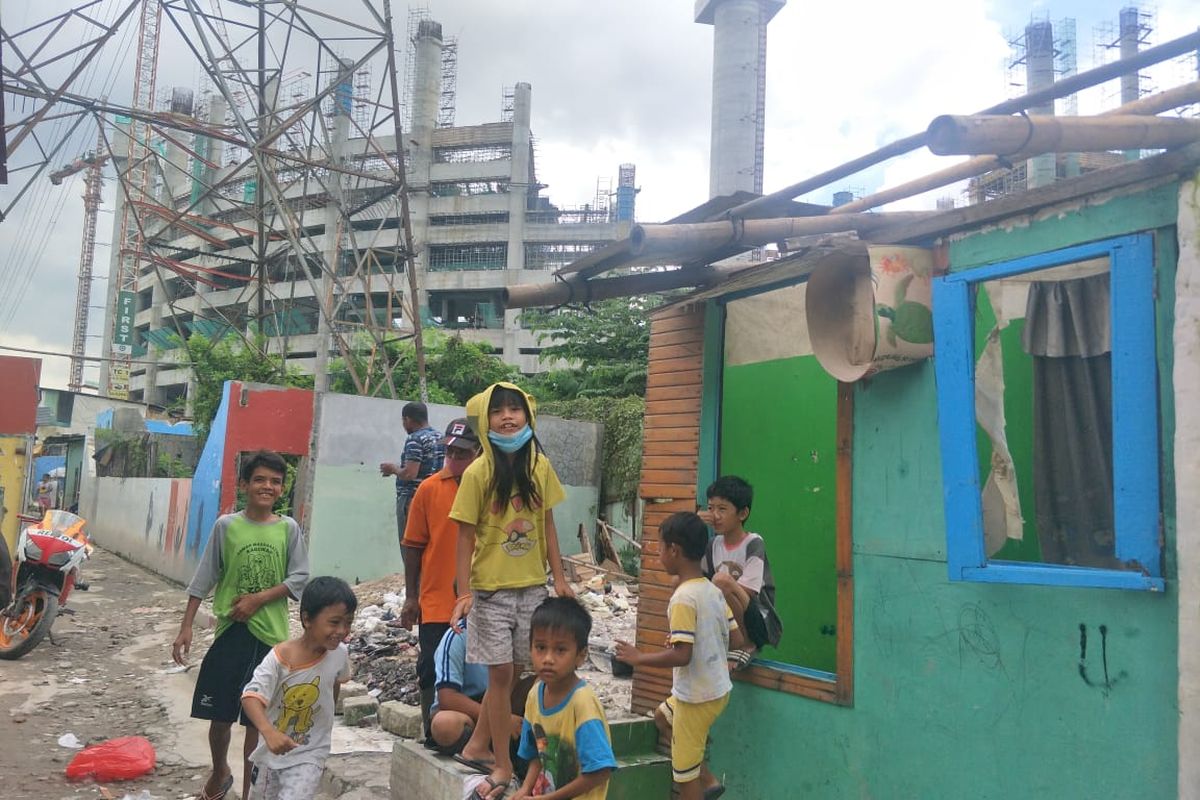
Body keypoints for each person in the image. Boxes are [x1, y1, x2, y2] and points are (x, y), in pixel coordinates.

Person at [448, 382, 573, 800]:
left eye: (514, 409)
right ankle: (502, 765)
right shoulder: (478, 473)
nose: (507, 416)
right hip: (491, 592)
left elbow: (548, 526)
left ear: (527, 416)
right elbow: (464, 538)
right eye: (498, 410)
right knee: (500, 674)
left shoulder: (540, 466)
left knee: (522, 671)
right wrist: (463, 593)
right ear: (486, 421)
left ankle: (480, 744)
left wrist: (560, 577)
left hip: (533, 588)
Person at [172, 450, 310, 800]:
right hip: (231, 632)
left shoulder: (288, 529)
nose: (268, 486)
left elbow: (299, 578)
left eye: (275, 482)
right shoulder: (227, 526)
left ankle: (249, 793)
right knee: (218, 716)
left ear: (282, 489)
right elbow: (204, 576)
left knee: (255, 722)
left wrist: (258, 599)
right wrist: (186, 626)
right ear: (245, 485)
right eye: (260, 479)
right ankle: (220, 771)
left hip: (270, 639)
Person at [615, 512, 744, 800]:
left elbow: (682, 656)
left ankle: (700, 778)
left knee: (684, 777)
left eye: (659, 547)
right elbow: (736, 638)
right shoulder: (711, 589)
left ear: (674, 550)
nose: (657, 554)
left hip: (695, 697)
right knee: (662, 717)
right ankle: (709, 779)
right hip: (717, 689)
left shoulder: (683, 598)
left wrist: (639, 658)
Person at [401, 417, 482, 735]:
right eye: (450, 452)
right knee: (430, 669)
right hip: (437, 601)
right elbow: (413, 545)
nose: (454, 458)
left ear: (478, 452)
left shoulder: (490, 488)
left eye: (462, 453)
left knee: (481, 672)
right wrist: (411, 596)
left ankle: (474, 736)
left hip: (482, 599)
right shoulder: (429, 489)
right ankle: (431, 731)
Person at [241, 576, 355, 800]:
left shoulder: (340, 654)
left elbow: (333, 685)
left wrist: (326, 721)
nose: (342, 630)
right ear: (307, 619)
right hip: (271, 754)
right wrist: (269, 732)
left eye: (348, 622)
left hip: (311, 752)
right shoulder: (280, 657)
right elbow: (250, 697)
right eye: (334, 622)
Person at [511, 597, 617, 800]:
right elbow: (537, 754)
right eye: (540, 647)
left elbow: (600, 772)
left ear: (581, 655)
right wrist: (525, 789)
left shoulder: (583, 703)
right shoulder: (534, 695)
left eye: (560, 650)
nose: (548, 659)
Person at [698, 476, 782, 671]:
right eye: (711, 508)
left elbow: (749, 592)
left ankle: (745, 644)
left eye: (722, 509)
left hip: (755, 622)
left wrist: (719, 588)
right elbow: (697, 578)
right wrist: (695, 524)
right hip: (726, 619)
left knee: (721, 581)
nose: (715, 515)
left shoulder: (753, 543)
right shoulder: (713, 544)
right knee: (684, 582)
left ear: (742, 513)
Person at [427, 622, 532, 771]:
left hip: (501, 700)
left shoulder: (512, 633)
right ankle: (484, 746)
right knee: (444, 725)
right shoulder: (458, 636)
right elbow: (447, 697)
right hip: (467, 711)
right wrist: (502, 718)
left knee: (541, 686)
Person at [380, 401, 445, 547]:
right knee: (427, 545)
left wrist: (392, 469)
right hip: (434, 499)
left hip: (412, 499)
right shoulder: (440, 437)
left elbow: (410, 473)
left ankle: (411, 571)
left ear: (407, 419)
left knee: (409, 545)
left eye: (403, 421)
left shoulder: (415, 439)